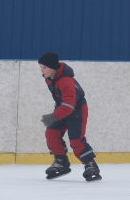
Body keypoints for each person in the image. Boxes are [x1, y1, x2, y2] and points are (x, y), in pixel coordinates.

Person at [38, 52, 101, 182]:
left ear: (53, 68)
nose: (42, 70)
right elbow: (63, 102)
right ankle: (61, 162)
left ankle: (90, 165)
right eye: (40, 67)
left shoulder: (65, 81)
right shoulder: (49, 78)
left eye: (45, 67)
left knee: (76, 140)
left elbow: (69, 106)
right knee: (51, 133)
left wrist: (53, 117)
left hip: (77, 110)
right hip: (62, 107)